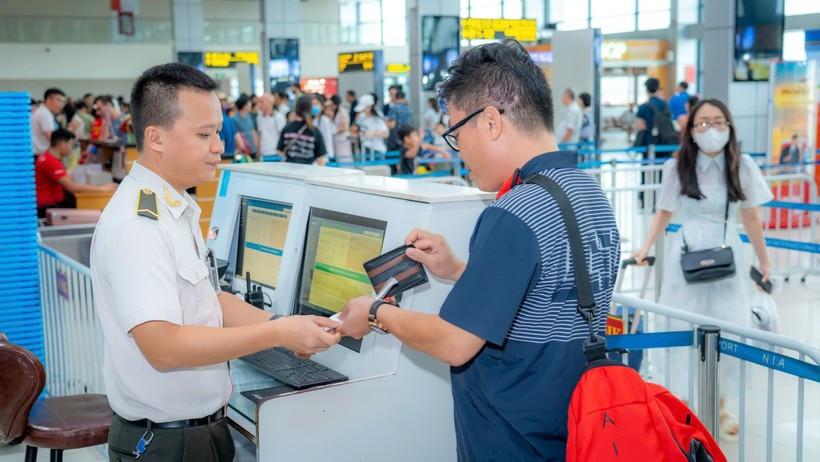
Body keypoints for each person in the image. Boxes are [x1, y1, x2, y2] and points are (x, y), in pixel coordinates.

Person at [338, 39, 620, 460]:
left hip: (510, 439)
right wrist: (456, 269)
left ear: (490, 121)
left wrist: (376, 313)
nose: (460, 150)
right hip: (573, 431)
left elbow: (455, 343)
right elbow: (543, 299)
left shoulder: (514, 211)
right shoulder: (588, 193)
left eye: (456, 132)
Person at [90, 63, 341, 462]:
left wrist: (283, 325)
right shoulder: (138, 225)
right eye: (204, 135)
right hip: (168, 444)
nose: (218, 147)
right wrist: (277, 336)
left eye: (218, 132)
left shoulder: (176, 207)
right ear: (155, 137)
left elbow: (209, 299)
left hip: (200, 431)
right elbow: (163, 347)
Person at [632, 99, 773, 441]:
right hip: (688, 258)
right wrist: (646, 246)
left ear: (730, 126)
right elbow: (664, 211)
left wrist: (764, 260)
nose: (711, 129)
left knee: (729, 329)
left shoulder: (742, 165)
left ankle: (724, 405)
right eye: (703, 123)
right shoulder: (677, 167)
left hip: (728, 257)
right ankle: (679, 402)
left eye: (719, 122)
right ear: (691, 131)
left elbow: (751, 216)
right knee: (680, 328)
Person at [35, 128, 117, 218]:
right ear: (62, 145)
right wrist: (100, 188)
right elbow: (71, 186)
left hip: (49, 203)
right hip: (49, 206)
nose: (71, 149)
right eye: (70, 145)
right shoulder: (51, 161)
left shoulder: (46, 157)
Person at [277, 95, 328, 165]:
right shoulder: (314, 131)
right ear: (310, 109)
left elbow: (279, 151)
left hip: (289, 171)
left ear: (296, 109)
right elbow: (320, 159)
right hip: (308, 172)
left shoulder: (287, 128)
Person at [634, 77, 668, 148]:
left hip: (648, 140)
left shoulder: (643, 107)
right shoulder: (665, 104)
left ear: (646, 90)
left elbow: (640, 126)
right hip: (664, 139)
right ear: (657, 88)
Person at [31, 88, 65, 154]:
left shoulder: (44, 111)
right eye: (59, 101)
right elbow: (51, 137)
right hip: (38, 154)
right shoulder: (45, 114)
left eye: (63, 102)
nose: (61, 105)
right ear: (48, 99)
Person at [257, 93, 287, 159]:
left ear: (270, 103)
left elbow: (283, 135)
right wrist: (258, 151)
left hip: (275, 153)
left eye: (262, 102)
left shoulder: (278, 117)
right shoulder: (259, 117)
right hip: (263, 153)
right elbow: (260, 134)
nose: (259, 104)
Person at [328, 95, 353, 163]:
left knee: (344, 161)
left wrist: (333, 132)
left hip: (342, 140)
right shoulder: (335, 112)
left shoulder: (342, 112)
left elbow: (344, 127)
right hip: (337, 140)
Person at [311, 94, 336, 160]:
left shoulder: (325, 120)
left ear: (322, 107)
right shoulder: (309, 120)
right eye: (312, 104)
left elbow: (328, 138)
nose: (314, 106)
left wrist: (330, 154)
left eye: (316, 104)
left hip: (323, 155)